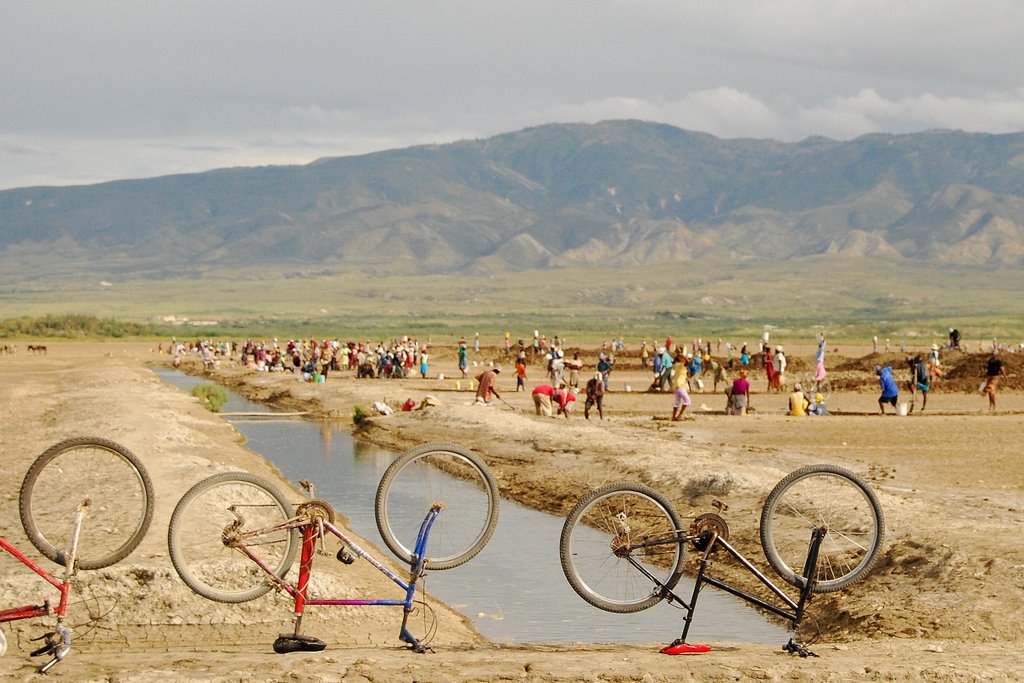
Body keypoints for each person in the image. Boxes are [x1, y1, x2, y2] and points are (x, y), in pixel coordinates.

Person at [670, 353, 691, 421]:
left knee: (677, 402)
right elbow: (688, 362)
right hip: (680, 385)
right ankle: (679, 415)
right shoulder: (681, 365)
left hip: (676, 386)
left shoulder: (675, 365)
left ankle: (673, 416)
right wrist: (682, 355)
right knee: (687, 401)